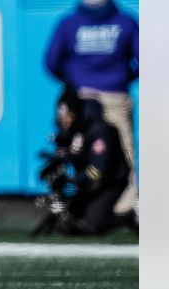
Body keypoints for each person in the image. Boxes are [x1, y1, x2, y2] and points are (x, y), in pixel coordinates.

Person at [43, 0, 139, 217]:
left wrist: (73, 82)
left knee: (75, 149)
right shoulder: (125, 22)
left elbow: (52, 61)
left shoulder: (70, 24)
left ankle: (72, 203)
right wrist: (123, 76)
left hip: (82, 98)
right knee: (125, 150)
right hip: (114, 96)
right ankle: (128, 203)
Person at [48, 88, 134, 235]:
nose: (65, 120)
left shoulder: (98, 129)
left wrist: (70, 179)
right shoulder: (69, 128)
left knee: (90, 226)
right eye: (62, 116)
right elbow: (64, 153)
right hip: (89, 181)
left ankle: (129, 217)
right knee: (69, 223)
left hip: (112, 180)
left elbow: (97, 171)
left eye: (68, 115)